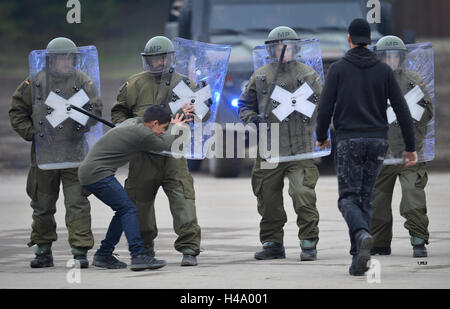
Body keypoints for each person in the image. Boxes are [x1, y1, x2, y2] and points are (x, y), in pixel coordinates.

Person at [315, 19, 418, 276]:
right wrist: (410, 145)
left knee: (348, 199)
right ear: (370, 41)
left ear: (349, 39)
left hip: (349, 140)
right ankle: (357, 258)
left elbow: (326, 106)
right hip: (377, 142)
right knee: (365, 198)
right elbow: (401, 109)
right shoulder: (384, 71)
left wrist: (321, 136)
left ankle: (361, 235)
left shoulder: (338, 69)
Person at [9, 37, 102, 268]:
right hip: (45, 154)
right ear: (51, 60)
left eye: (69, 57)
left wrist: (83, 124)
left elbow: (96, 109)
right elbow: (17, 111)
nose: (66, 61)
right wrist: (33, 134)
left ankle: (80, 251)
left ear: (75, 58)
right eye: (61, 57)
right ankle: (43, 249)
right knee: (42, 204)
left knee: (77, 203)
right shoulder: (36, 82)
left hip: (74, 153)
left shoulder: (83, 81)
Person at [111, 36, 201, 266]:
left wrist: (193, 112)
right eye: (154, 58)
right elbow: (118, 112)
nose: (159, 63)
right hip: (142, 156)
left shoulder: (185, 84)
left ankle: (189, 248)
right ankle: (144, 250)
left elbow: (203, 112)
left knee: (183, 200)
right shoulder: (134, 84)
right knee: (139, 204)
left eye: (163, 58)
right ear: (147, 60)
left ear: (170, 58)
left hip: (174, 154)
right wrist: (126, 129)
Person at [238, 26, 323, 261]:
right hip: (270, 147)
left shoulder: (308, 75)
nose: (282, 51)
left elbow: (323, 107)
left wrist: (321, 134)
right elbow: (244, 104)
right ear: (270, 50)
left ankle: (308, 242)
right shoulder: (262, 75)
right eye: (277, 47)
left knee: (302, 194)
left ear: (295, 49)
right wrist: (252, 118)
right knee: (268, 198)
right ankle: (272, 243)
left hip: (300, 147)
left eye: (286, 47)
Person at [78, 105, 189, 270]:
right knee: (129, 209)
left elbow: (159, 126)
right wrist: (176, 126)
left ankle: (103, 254)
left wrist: (176, 116)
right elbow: (164, 145)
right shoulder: (143, 134)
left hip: (91, 171)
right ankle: (138, 255)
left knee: (123, 210)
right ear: (155, 123)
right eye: (163, 128)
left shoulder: (134, 122)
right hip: (97, 174)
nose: (163, 132)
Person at [371, 36, 434, 258]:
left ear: (402, 58)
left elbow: (428, 113)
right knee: (377, 202)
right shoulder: (372, 82)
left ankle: (418, 239)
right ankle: (379, 243)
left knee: (412, 196)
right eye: (386, 57)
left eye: (395, 56)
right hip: (382, 153)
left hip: (410, 152)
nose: (390, 60)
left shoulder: (413, 80)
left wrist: (408, 111)